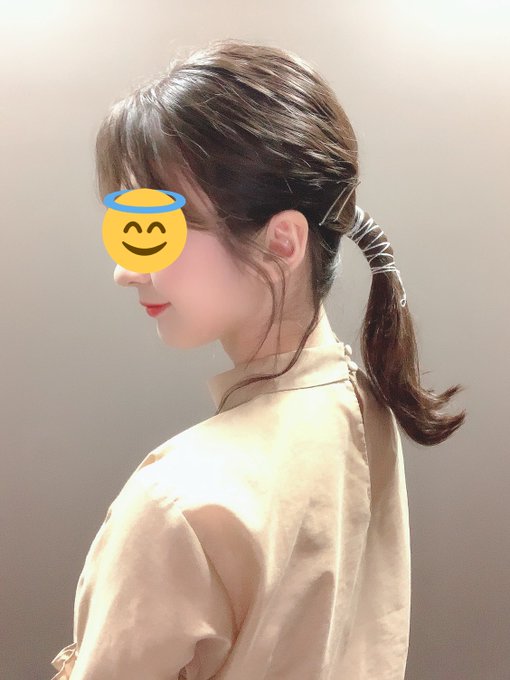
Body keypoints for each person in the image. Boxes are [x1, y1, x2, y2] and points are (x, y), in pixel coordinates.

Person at [50, 38, 466, 679]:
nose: (125, 270)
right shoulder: (362, 402)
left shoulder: (178, 503)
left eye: (154, 228)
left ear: (282, 243)